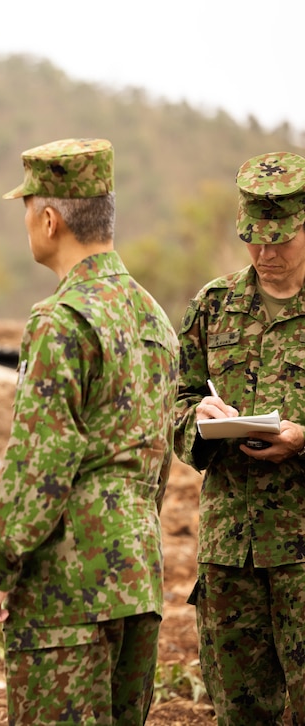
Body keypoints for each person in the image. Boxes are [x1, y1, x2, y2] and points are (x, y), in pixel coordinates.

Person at [0, 138, 178, 724]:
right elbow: (157, 461)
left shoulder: (62, 318)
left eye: (27, 211)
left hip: (68, 587)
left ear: (49, 218)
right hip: (138, 575)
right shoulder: (153, 317)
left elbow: (41, 462)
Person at [173, 150, 305, 723]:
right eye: (254, 239)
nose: (266, 255)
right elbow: (171, 406)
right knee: (238, 713)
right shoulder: (214, 306)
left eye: (281, 240)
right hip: (230, 559)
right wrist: (198, 421)